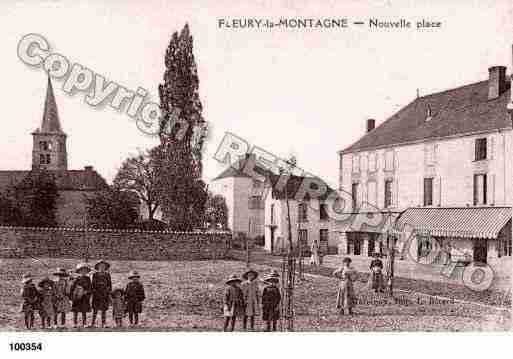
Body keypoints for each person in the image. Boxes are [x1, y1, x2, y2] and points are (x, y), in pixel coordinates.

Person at [91, 260, 112, 328]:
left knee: (104, 310)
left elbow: (109, 285)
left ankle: (103, 323)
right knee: (95, 309)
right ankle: (93, 323)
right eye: (100, 266)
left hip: (104, 294)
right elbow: (93, 285)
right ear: (98, 267)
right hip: (96, 294)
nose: (102, 267)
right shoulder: (95, 275)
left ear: (105, 267)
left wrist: (108, 292)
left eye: (103, 266)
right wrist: (94, 292)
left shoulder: (107, 275)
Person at [70, 263, 92, 328]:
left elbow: (90, 287)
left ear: (87, 272)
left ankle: (84, 323)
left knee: (84, 310)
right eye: (82, 270)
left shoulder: (88, 279)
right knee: (75, 310)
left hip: (84, 297)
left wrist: (86, 292)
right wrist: (73, 295)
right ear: (79, 271)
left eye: (85, 271)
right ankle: (75, 323)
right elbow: (72, 287)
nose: (83, 272)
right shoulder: (76, 279)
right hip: (77, 297)